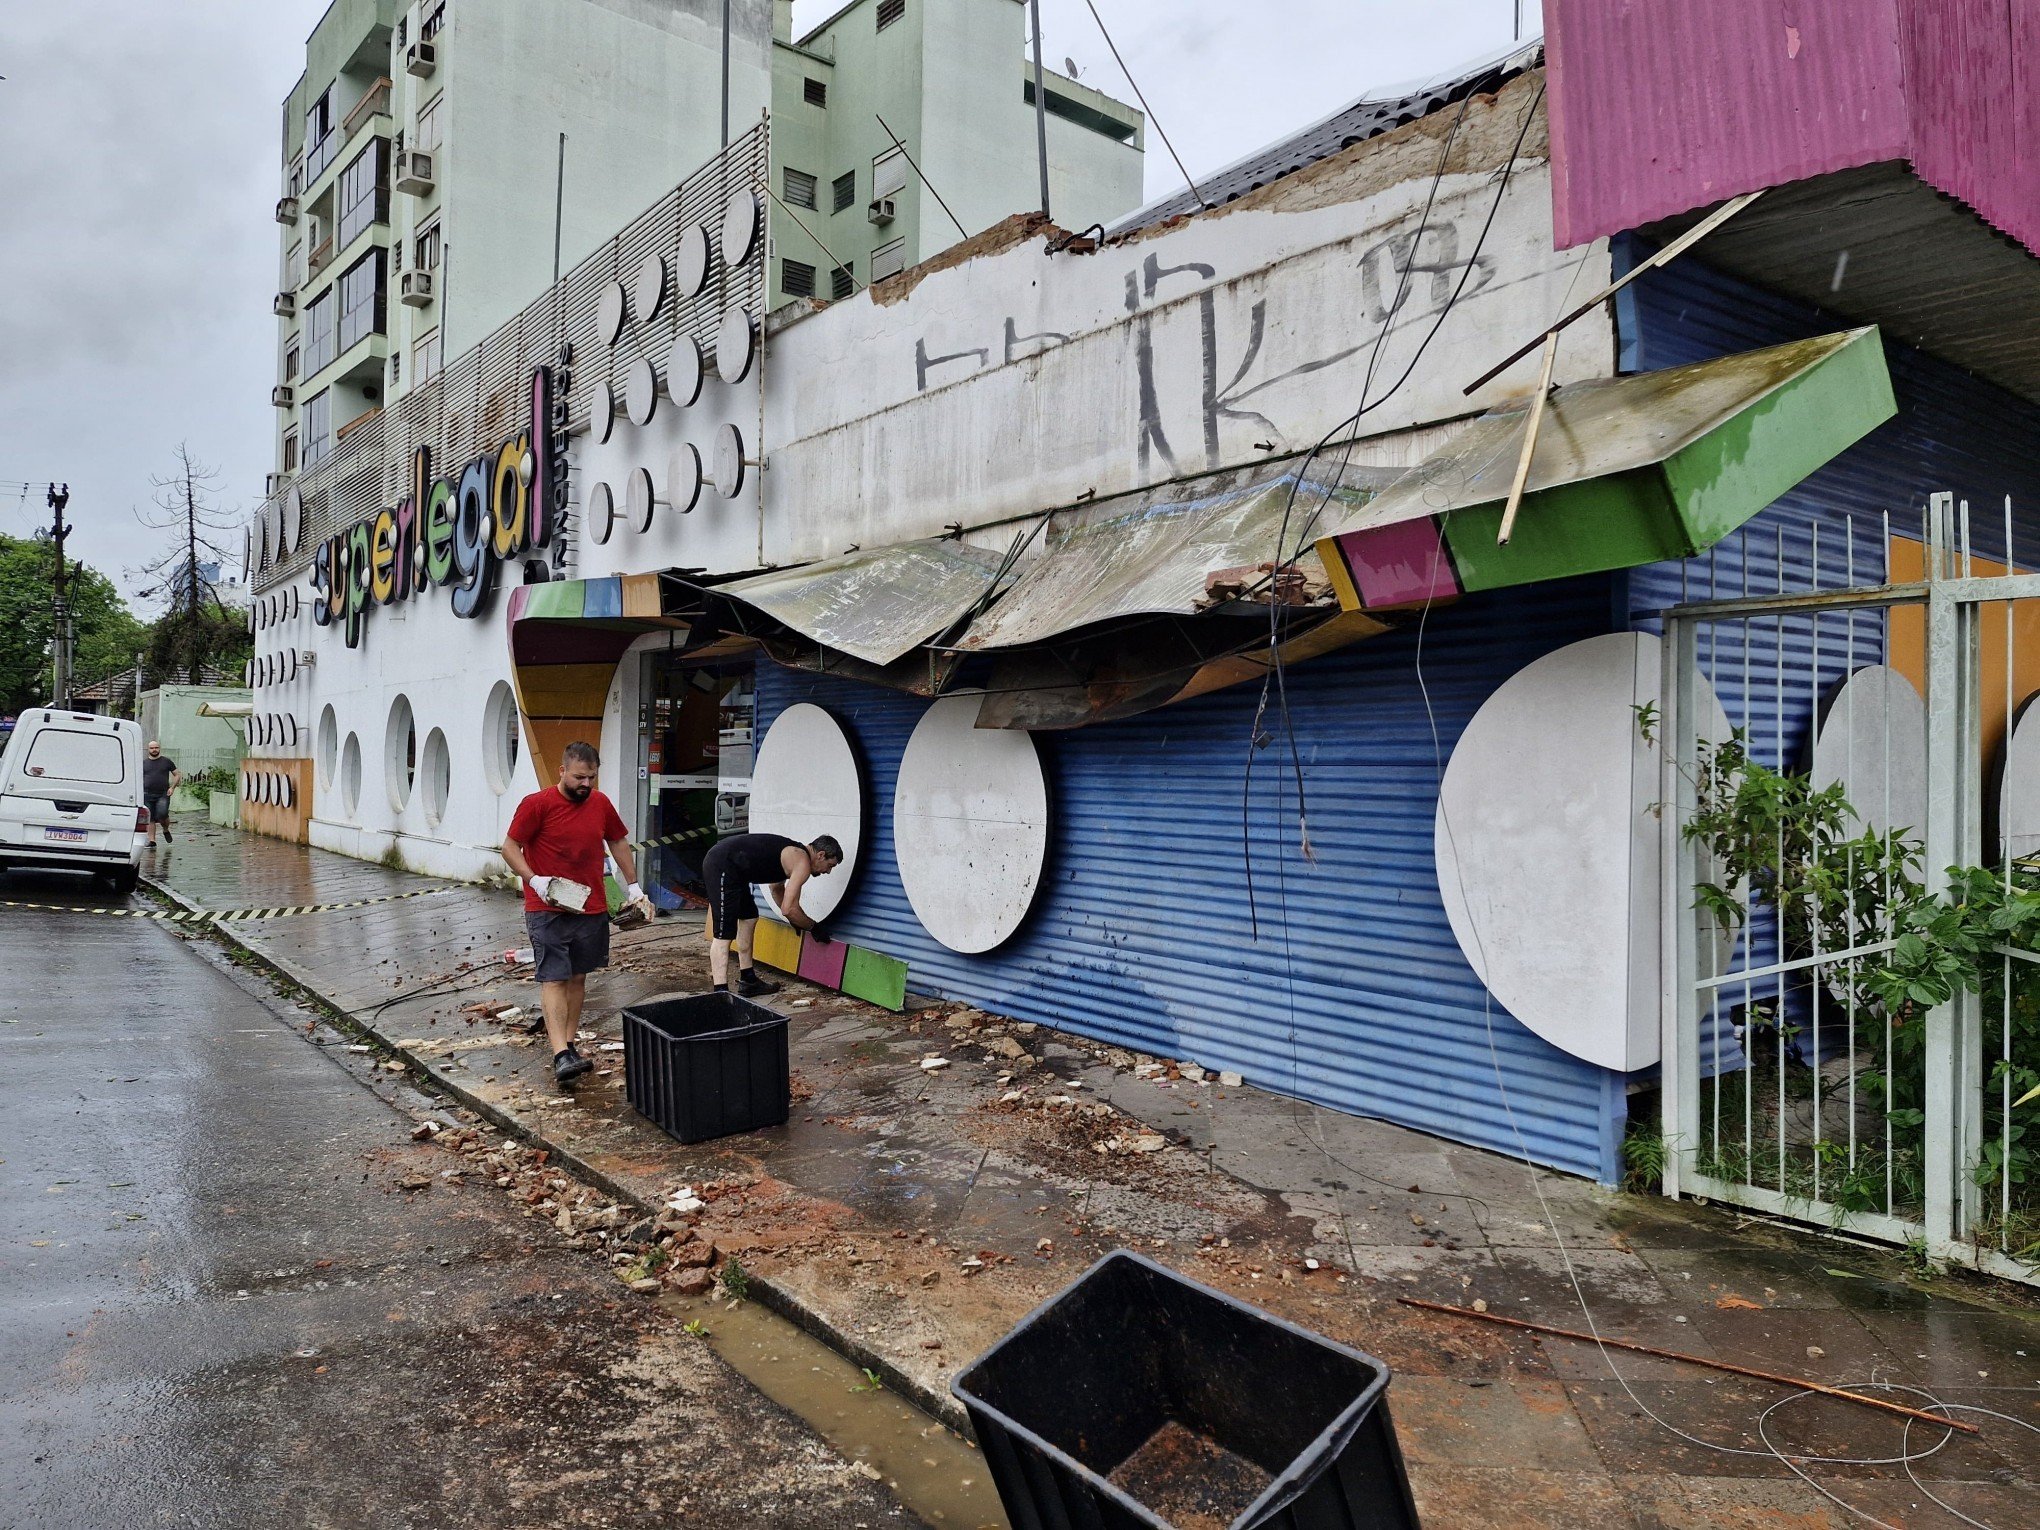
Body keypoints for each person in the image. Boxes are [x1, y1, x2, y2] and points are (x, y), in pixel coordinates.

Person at [501, 741, 652, 1086]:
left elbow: (617, 841)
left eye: (592, 777)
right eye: (580, 777)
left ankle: (568, 1046)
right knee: (554, 976)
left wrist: (633, 886)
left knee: (578, 977)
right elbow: (509, 847)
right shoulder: (536, 805)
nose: (586, 784)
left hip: (590, 904)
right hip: (548, 906)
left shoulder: (600, 803)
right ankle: (559, 1055)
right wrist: (534, 880)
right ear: (563, 771)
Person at [700, 831, 842, 996]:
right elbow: (788, 909)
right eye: (830, 865)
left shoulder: (794, 855)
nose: (828, 872)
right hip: (721, 864)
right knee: (724, 934)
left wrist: (796, 920)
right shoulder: (802, 862)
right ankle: (720, 993)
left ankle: (748, 980)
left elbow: (776, 889)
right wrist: (814, 927)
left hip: (736, 871)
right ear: (821, 855)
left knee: (749, 917)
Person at [141, 741, 180, 847]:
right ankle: (152, 841)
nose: (154, 750)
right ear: (148, 749)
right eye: (152, 748)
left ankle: (166, 829)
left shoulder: (166, 761)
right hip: (147, 794)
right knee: (151, 818)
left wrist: (172, 788)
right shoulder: (143, 763)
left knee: (162, 815)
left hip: (163, 794)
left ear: (159, 748)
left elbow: (177, 774)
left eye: (156, 747)